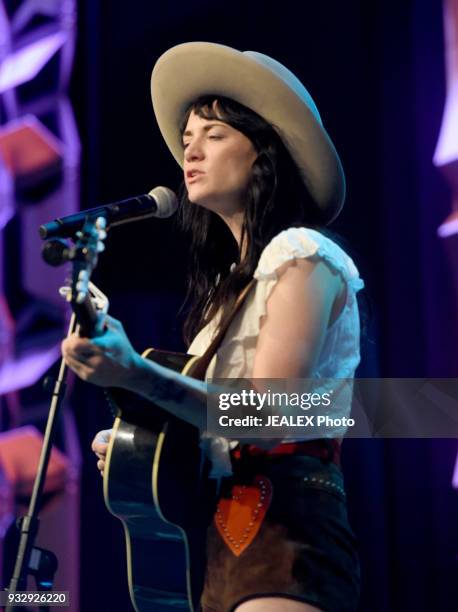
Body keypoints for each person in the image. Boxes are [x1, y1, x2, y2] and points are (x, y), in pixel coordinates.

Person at [62, 42, 364, 612]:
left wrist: (136, 373)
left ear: (264, 153)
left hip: (287, 536)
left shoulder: (304, 255)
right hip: (217, 547)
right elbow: (214, 429)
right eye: (187, 140)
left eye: (215, 135)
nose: (190, 151)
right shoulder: (229, 294)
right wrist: (134, 446)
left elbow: (269, 418)